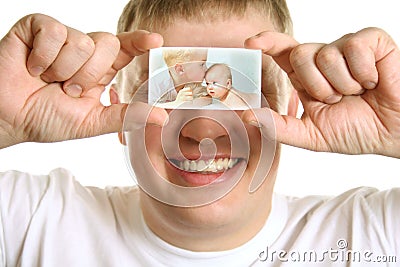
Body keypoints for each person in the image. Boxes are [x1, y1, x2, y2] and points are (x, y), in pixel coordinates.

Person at [0, 1, 399, 267]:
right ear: (120, 107)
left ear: (290, 107)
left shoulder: (373, 235)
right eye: (169, 89)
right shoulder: (28, 220)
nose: (205, 129)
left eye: (246, 87)